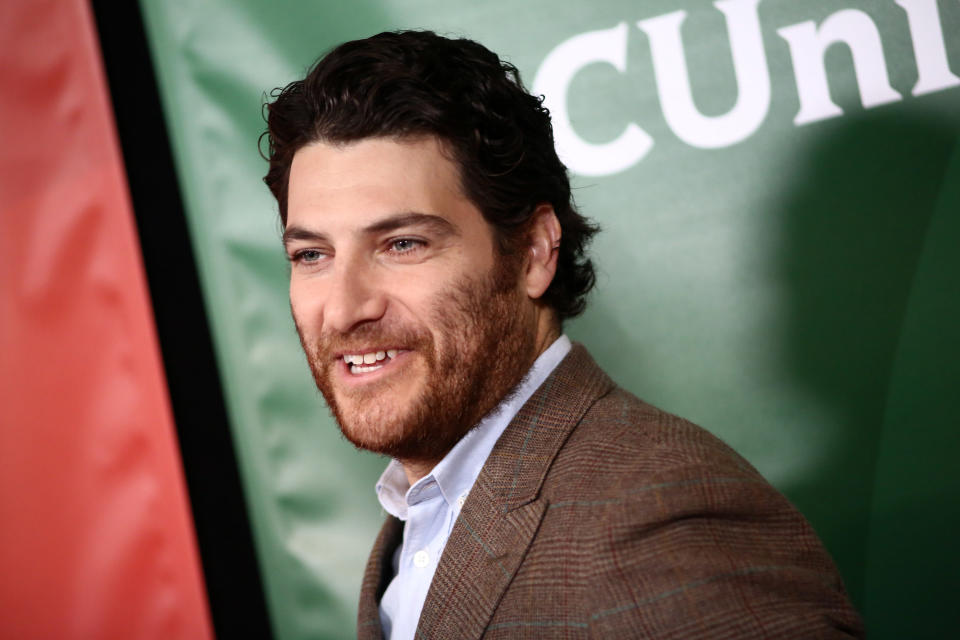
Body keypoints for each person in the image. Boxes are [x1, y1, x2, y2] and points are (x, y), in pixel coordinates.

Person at [262, 30, 862, 640]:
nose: (343, 309)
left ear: (533, 252)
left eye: (403, 244)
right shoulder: (418, 522)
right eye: (312, 255)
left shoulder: (660, 520)